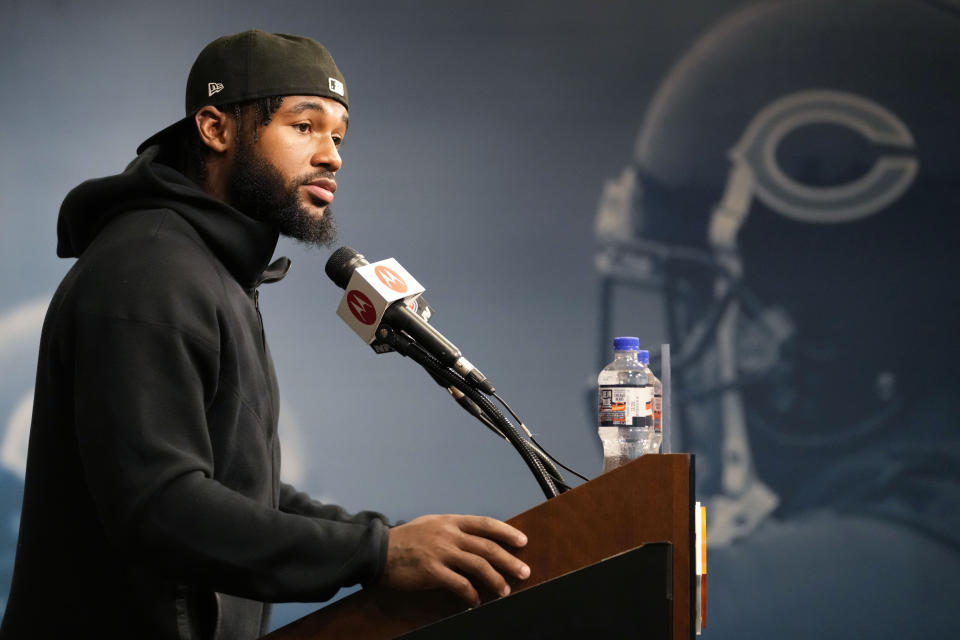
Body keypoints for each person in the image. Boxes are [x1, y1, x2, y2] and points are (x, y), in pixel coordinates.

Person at [0, 30, 529, 639]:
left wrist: (386, 543)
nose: (332, 155)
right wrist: (375, 552)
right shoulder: (147, 272)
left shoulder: (209, 271)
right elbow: (161, 507)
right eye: (304, 127)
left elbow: (237, 488)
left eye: (338, 135)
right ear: (215, 129)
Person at [594, 0, 960, 636]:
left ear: (837, 322)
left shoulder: (860, 583)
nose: (698, 354)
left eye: (708, 303)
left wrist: (375, 553)